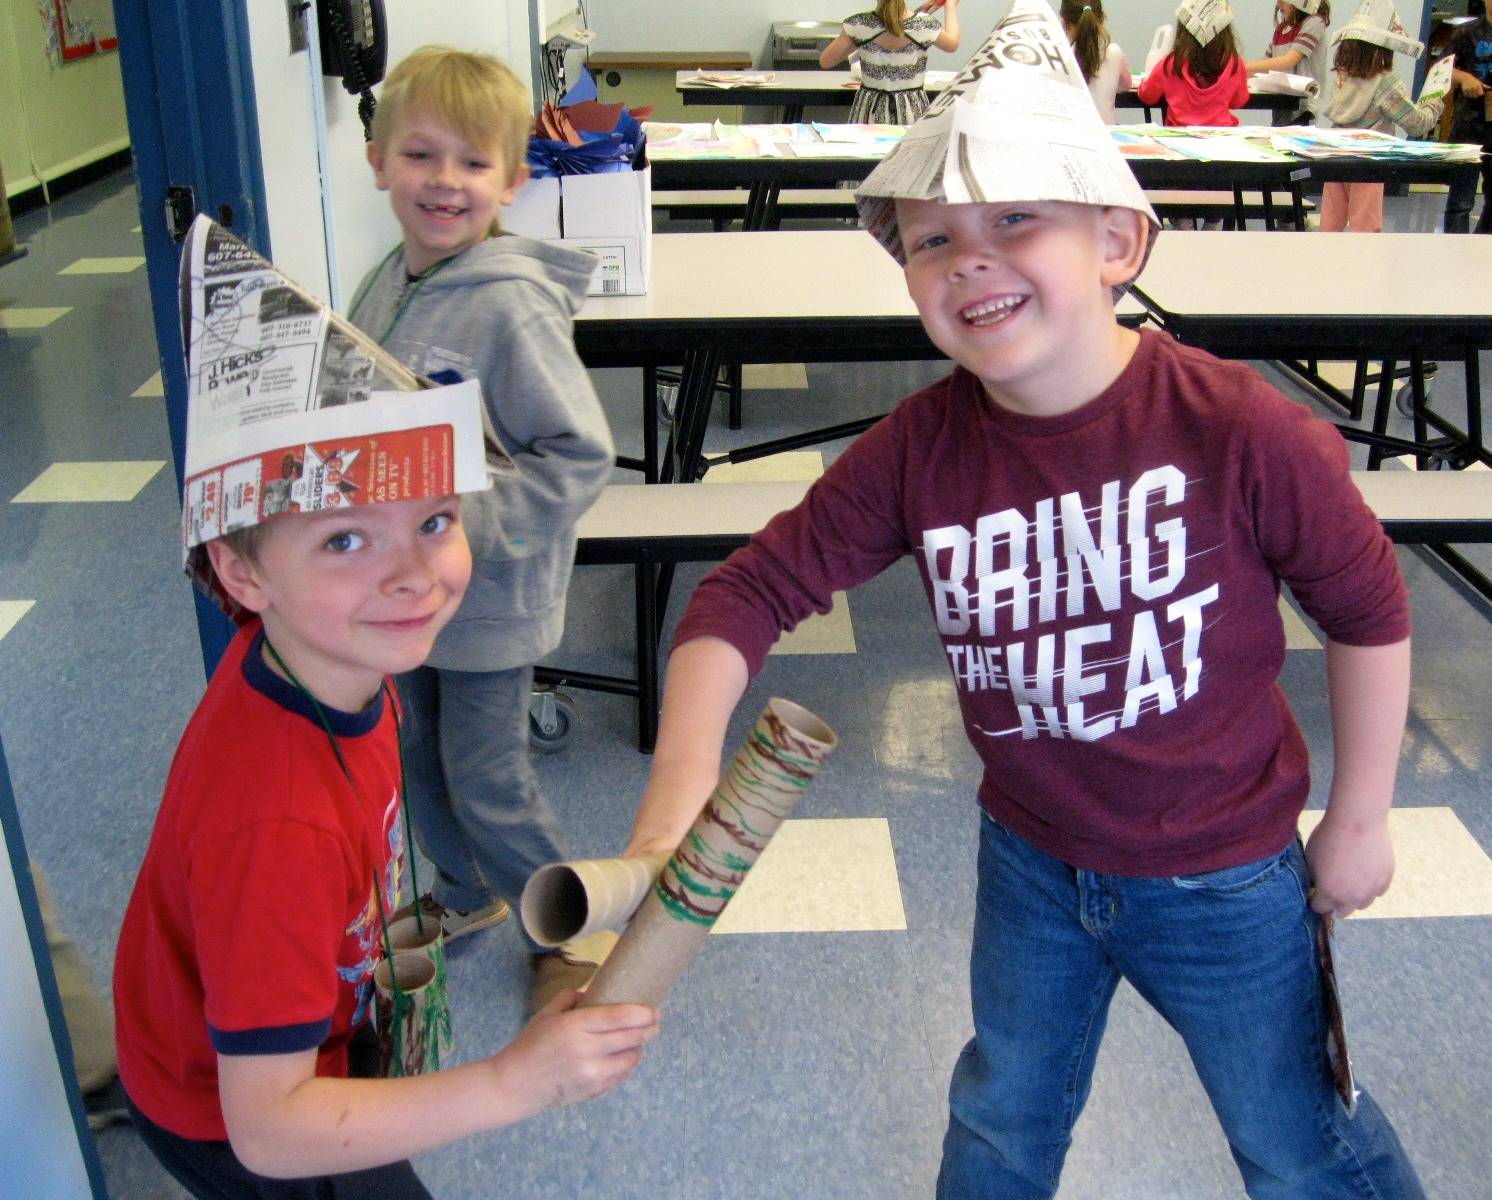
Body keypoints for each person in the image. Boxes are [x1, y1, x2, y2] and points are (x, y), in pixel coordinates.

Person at [620, 3, 1426, 1196]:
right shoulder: (919, 448)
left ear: (1117, 242)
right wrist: (678, 794)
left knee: (1297, 1139)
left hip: (1225, 872)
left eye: (1013, 220)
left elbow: (1368, 607)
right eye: (931, 240)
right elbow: (743, 597)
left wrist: (1359, 816)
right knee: (1001, 1119)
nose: (968, 258)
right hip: (1032, 863)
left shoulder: (1239, 430)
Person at [114, 371, 658, 1197]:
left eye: (434, 520)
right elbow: (269, 1129)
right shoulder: (276, 825)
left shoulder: (330, 657)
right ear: (242, 573)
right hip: (235, 1117)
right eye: (344, 540)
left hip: (300, 1035)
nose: (413, 573)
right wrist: (516, 1081)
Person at [346, 47, 617, 1010]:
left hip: (488, 595)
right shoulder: (390, 279)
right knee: (414, 752)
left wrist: (464, 522)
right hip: (405, 590)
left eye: (471, 163)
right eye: (421, 155)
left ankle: (564, 931)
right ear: (379, 161)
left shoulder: (506, 304)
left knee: (488, 776)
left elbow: (578, 456)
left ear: (510, 178)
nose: (444, 182)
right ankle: (468, 894)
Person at [1321, 0, 1445, 232]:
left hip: (1335, 155)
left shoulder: (1343, 76)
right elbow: (1417, 124)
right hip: (1369, 162)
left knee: (1330, 225)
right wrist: (1434, 102)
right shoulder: (1385, 82)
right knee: (1365, 228)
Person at [819, 0, 962, 125]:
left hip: (869, 111)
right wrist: (950, 6)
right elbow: (952, 44)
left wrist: (856, 40)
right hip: (912, 110)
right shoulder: (925, 25)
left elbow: (826, 61)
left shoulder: (859, 24)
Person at [1136, 0, 1251, 128]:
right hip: (1222, 137)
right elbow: (1239, 101)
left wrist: (1144, 83)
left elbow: (1147, 96)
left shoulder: (1171, 64)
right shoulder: (1234, 63)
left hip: (1180, 137)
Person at [1443, 0, 1492, 233]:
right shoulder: (1466, 33)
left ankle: (1481, 249)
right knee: (1460, 202)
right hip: (1468, 128)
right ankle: (1455, 252)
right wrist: (1464, 78)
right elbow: (1441, 68)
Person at [1247, 0, 1333, 125]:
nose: (1279, 2)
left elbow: (1288, 61)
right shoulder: (1281, 29)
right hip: (1281, 103)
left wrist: (1242, 66)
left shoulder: (1314, 23)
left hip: (1303, 108)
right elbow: (1265, 66)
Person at [1060, 0, 1132, 122]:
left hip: (1072, 134)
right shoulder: (1114, 52)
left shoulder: (1060, 55)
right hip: (1108, 133)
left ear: (1065, 24)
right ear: (1102, 18)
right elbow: (1126, 85)